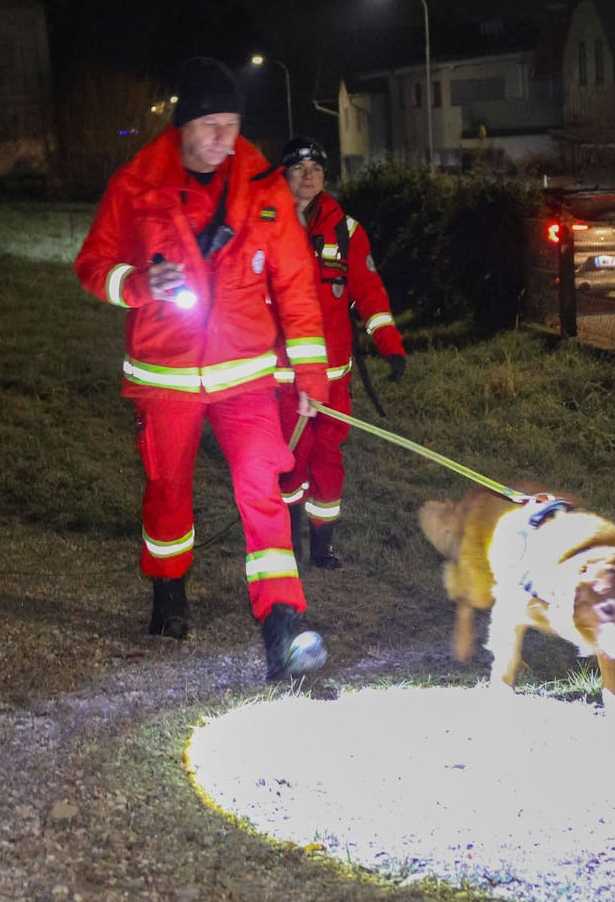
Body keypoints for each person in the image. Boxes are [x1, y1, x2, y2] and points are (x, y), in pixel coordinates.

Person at [72, 57, 330, 681]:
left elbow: (297, 287)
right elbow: (92, 266)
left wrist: (311, 379)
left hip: (246, 378)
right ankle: (168, 591)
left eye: (232, 125)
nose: (223, 139)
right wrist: (136, 284)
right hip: (166, 379)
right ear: (182, 125)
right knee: (168, 494)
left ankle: (282, 624)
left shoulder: (266, 186)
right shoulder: (136, 184)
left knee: (262, 492)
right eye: (210, 125)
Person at [274, 136, 408, 569]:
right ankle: (288, 541)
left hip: (334, 377)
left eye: (315, 168)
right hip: (283, 376)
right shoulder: (268, 227)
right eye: (299, 169)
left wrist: (391, 346)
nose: (308, 176)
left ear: (325, 175)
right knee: (291, 461)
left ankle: (321, 546)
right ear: (285, 176)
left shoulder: (346, 232)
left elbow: (368, 294)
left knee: (329, 459)